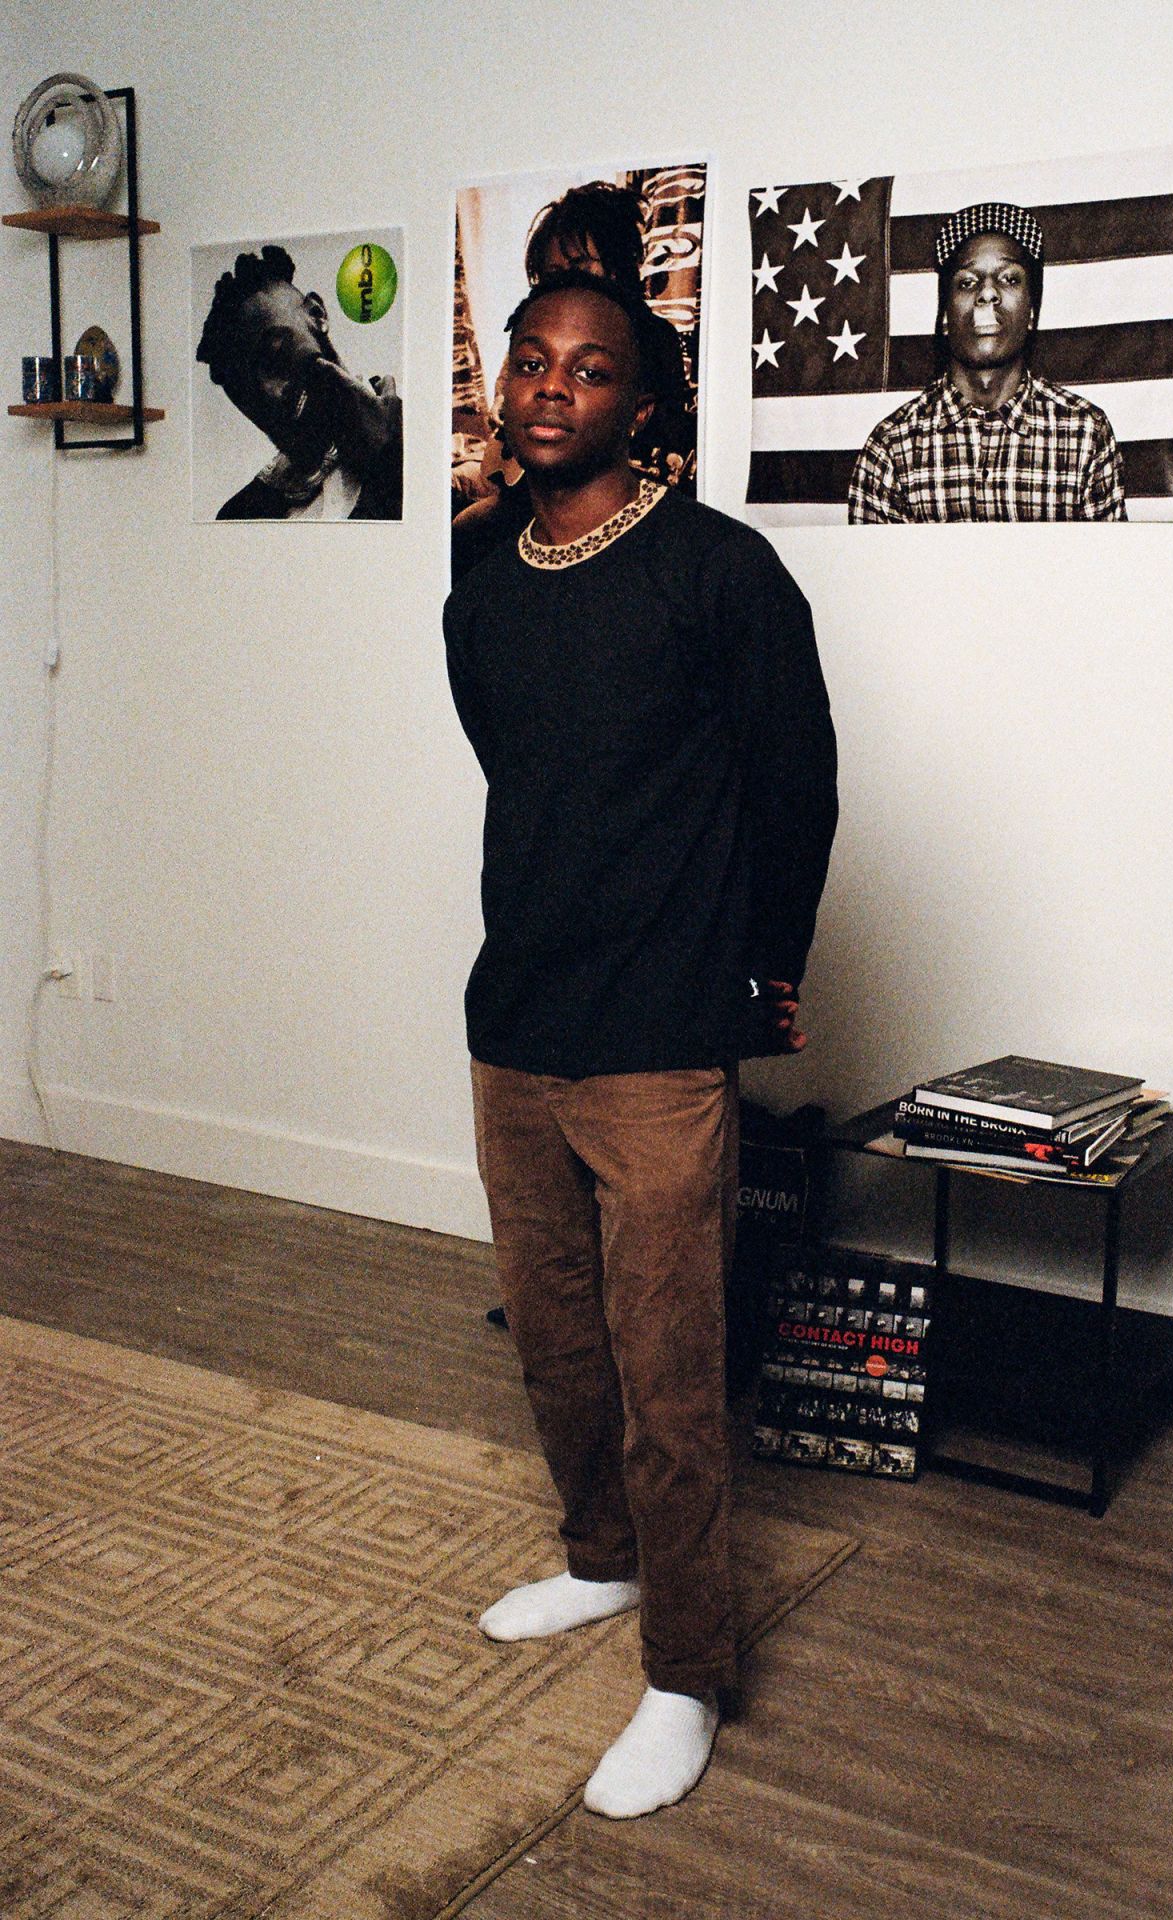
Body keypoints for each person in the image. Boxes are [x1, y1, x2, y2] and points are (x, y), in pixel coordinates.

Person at [443, 268, 838, 1818]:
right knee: (554, 1341)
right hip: (516, 1022)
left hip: (661, 1039)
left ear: (643, 402)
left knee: (672, 1373)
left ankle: (688, 1673)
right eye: (531, 362)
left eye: (589, 369)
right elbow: (518, 766)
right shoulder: (481, 572)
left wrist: (768, 970)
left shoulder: (720, 573)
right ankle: (599, 1562)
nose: (551, 389)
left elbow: (795, 783)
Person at [450, 181, 696, 579]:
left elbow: (667, 446)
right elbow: (501, 437)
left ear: (618, 265)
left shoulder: (653, 338)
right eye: (551, 276)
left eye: (581, 270)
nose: (566, 286)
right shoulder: (528, 336)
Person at [849, 201, 1126, 522]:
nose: (988, 292)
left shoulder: (1085, 435)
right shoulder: (892, 449)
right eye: (967, 282)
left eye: (1009, 279)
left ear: (1032, 315)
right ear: (944, 319)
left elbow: (1108, 570)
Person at [196, 244, 402, 521]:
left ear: (316, 314)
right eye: (247, 392)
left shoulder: (418, 434)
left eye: (275, 355)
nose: (272, 392)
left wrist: (390, 452)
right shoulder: (243, 513)